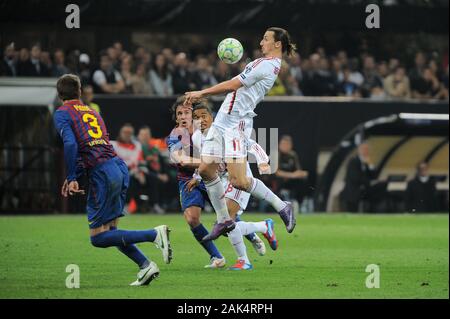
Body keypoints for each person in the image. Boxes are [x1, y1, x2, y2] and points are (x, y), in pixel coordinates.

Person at [53, 74, 172, 286]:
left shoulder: (62, 113)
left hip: (102, 173)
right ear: (79, 92)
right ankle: (145, 266)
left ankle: (153, 234)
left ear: (59, 93)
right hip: (117, 167)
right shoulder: (92, 112)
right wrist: (77, 176)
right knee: (112, 232)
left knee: (98, 238)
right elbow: (93, 146)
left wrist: (72, 177)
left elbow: (71, 145)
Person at [184, 27, 296, 241]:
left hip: (236, 124)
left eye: (265, 39)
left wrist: (202, 92)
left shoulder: (266, 65)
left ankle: (282, 206)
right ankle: (224, 219)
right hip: (223, 121)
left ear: (277, 44)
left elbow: (234, 84)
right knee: (206, 169)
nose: (261, 42)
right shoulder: (266, 64)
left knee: (239, 181)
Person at [187, 102, 278, 270]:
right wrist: (197, 176)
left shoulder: (224, 131)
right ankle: (263, 227)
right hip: (222, 181)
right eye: (196, 118)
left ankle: (244, 260)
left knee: (226, 219)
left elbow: (250, 143)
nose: (200, 120)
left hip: (238, 177)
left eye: (203, 116)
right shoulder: (196, 138)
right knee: (225, 222)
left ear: (212, 118)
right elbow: (205, 162)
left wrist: (263, 161)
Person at [166, 96, 225, 268]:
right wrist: (210, 161)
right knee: (192, 219)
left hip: (211, 176)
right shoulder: (174, 136)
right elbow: (181, 160)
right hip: (187, 179)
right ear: (176, 118)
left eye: (186, 112)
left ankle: (255, 231)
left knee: (227, 216)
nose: (183, 116)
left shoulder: (207, 131)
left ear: (193, 115)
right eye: (179, 113)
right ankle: (216, 257)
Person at [340, 143, 386, 212]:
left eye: (367, 150)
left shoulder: (367, 163)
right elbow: (355, 177)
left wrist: (370, 164)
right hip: (352, 194)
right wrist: (369, 182)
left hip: (363, 192)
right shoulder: (353, 161)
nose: (366, 151)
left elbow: (374, 176)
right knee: (352, 213)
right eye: (364, 149)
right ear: (359, 151)